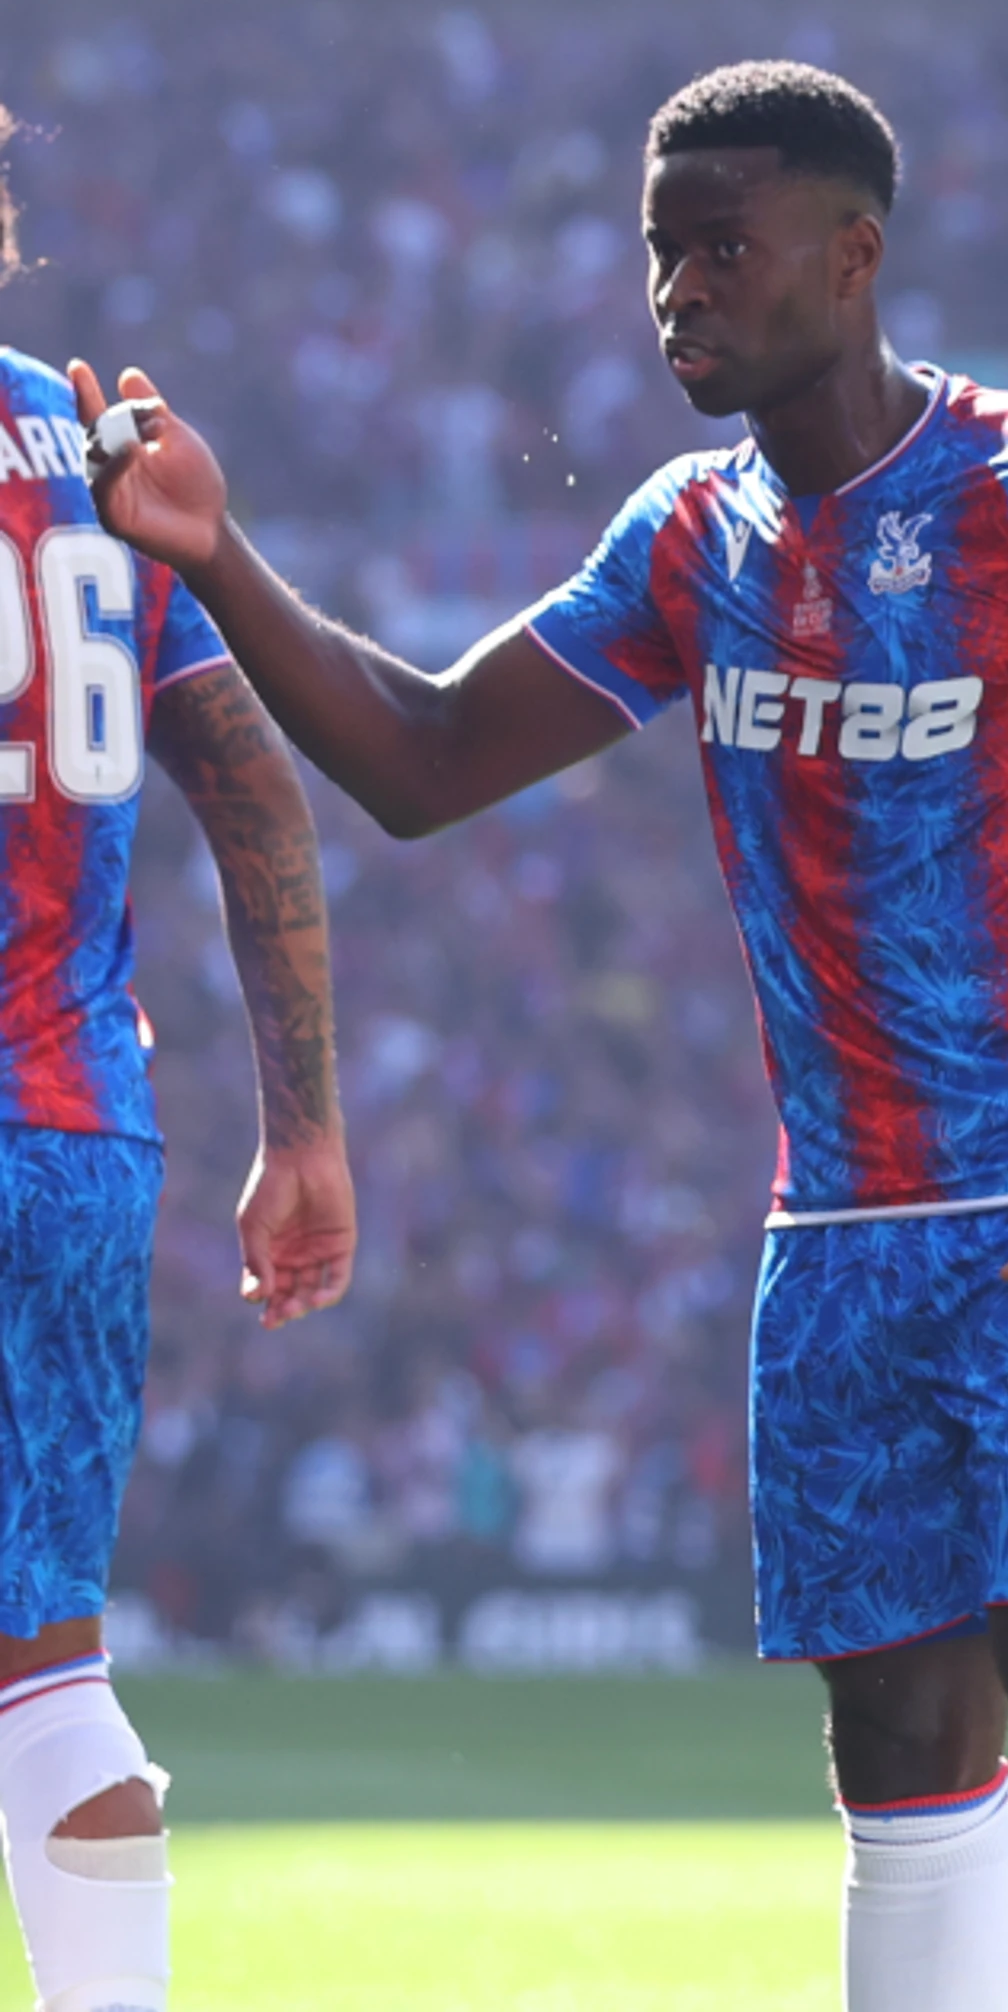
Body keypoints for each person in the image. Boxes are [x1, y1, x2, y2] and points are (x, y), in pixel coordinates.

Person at [74, 64, 1008, 2012]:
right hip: (833, 1245)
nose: (680, 295)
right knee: (899, 1768)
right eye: (662, 255)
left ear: (855, 255)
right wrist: (212, 551)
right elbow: (421, 759)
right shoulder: (693, 538)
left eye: (722, 251)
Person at [0, 102, 353, 2012]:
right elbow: (254, 790)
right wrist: (302, 1123)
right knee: (43, 1666)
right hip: (69, 1131)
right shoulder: (92, 458)